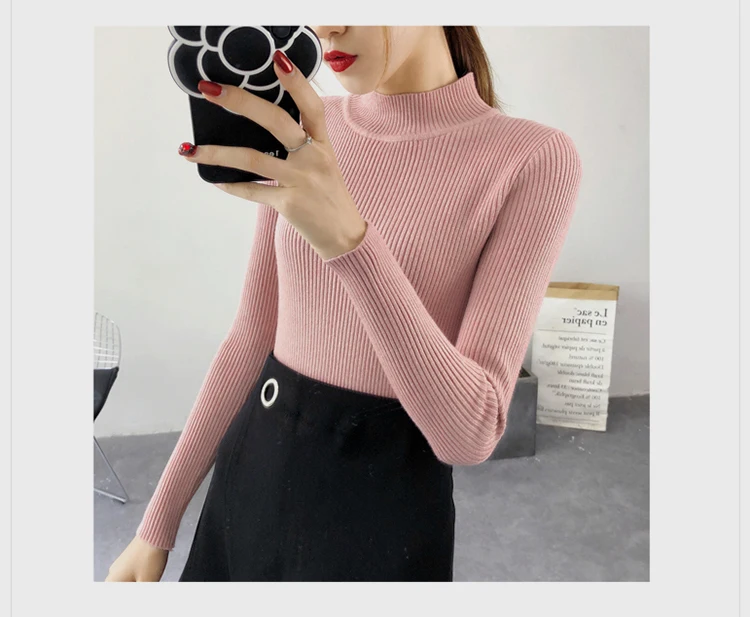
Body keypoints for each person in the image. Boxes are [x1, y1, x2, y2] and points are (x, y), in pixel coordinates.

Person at [105, 25, 583, 582]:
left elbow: (470, 434)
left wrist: (349, 242)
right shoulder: (308, 128)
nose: (327, 24)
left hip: (381, 513)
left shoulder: (532, 158)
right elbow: (250, 338)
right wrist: (157, 525)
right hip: (250, 478)